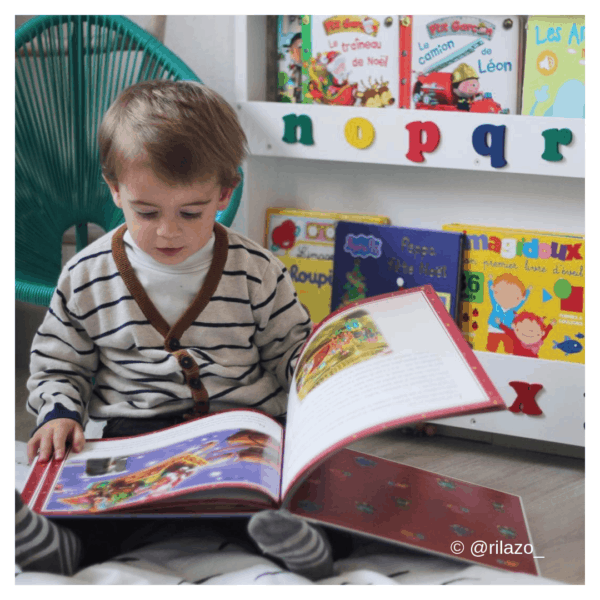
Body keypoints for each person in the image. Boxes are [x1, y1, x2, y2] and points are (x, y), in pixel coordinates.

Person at [18, 79, 333, 579]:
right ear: (115, 189)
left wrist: (330, 377)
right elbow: (60, 361)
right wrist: (58, 411)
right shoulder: (86, 274)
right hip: (138, 433)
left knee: (286, 498)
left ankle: (303, 546)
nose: (169, 231)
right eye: (146, 212)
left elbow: (292, 348)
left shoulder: (257, 269)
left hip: (242, 429)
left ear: (225, 193)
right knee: (108, 511)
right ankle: (59, 545)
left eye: (192, 212)